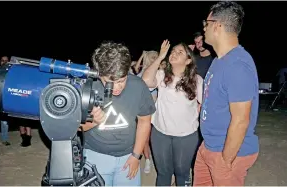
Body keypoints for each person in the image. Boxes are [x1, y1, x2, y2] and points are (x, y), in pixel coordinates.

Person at [193, 1, 259, 186]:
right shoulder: (219, 60)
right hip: (209, 146)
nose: (204, 27)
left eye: (206, 23)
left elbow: (240, 120)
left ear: (217, 25)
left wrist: (225, 160)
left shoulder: (237, 65)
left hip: (227, 153)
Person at [80, 41, 156, 186]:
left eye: (121, 81)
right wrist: (94, 121)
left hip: (128, 157)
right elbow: (76, 127)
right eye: (110, 82)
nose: (116, 87)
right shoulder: (88, 87)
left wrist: (136, 155)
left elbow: (144, 121)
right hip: (95, 157)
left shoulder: (138, 86)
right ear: (99, 73)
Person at [142, 40, 203, 186]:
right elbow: (145, 80)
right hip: (160, 132)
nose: (174, 53)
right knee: (163, 173)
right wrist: (160, 56)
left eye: (180, 52)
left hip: (186, 135)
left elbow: (206, 104)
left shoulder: (197, 80)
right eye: (173, 51)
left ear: (188, 60)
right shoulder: (161, 75)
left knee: (182, 172)